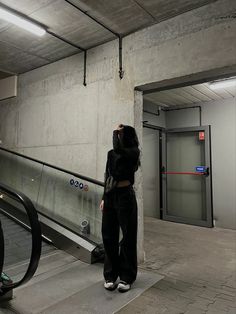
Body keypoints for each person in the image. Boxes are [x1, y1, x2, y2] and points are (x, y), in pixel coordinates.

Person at [100, 124, 140, 293]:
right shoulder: (111, 153)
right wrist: (104, 197)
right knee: (108, 236)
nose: (119, 136)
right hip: (110, 196)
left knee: (128, 238)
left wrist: (115, 131)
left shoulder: (133, 151)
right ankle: (110, 275)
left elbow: (120, 149)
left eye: (121, 134)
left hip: (126, 196)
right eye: (118, 134)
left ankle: (127, 276)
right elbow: (106, 175)